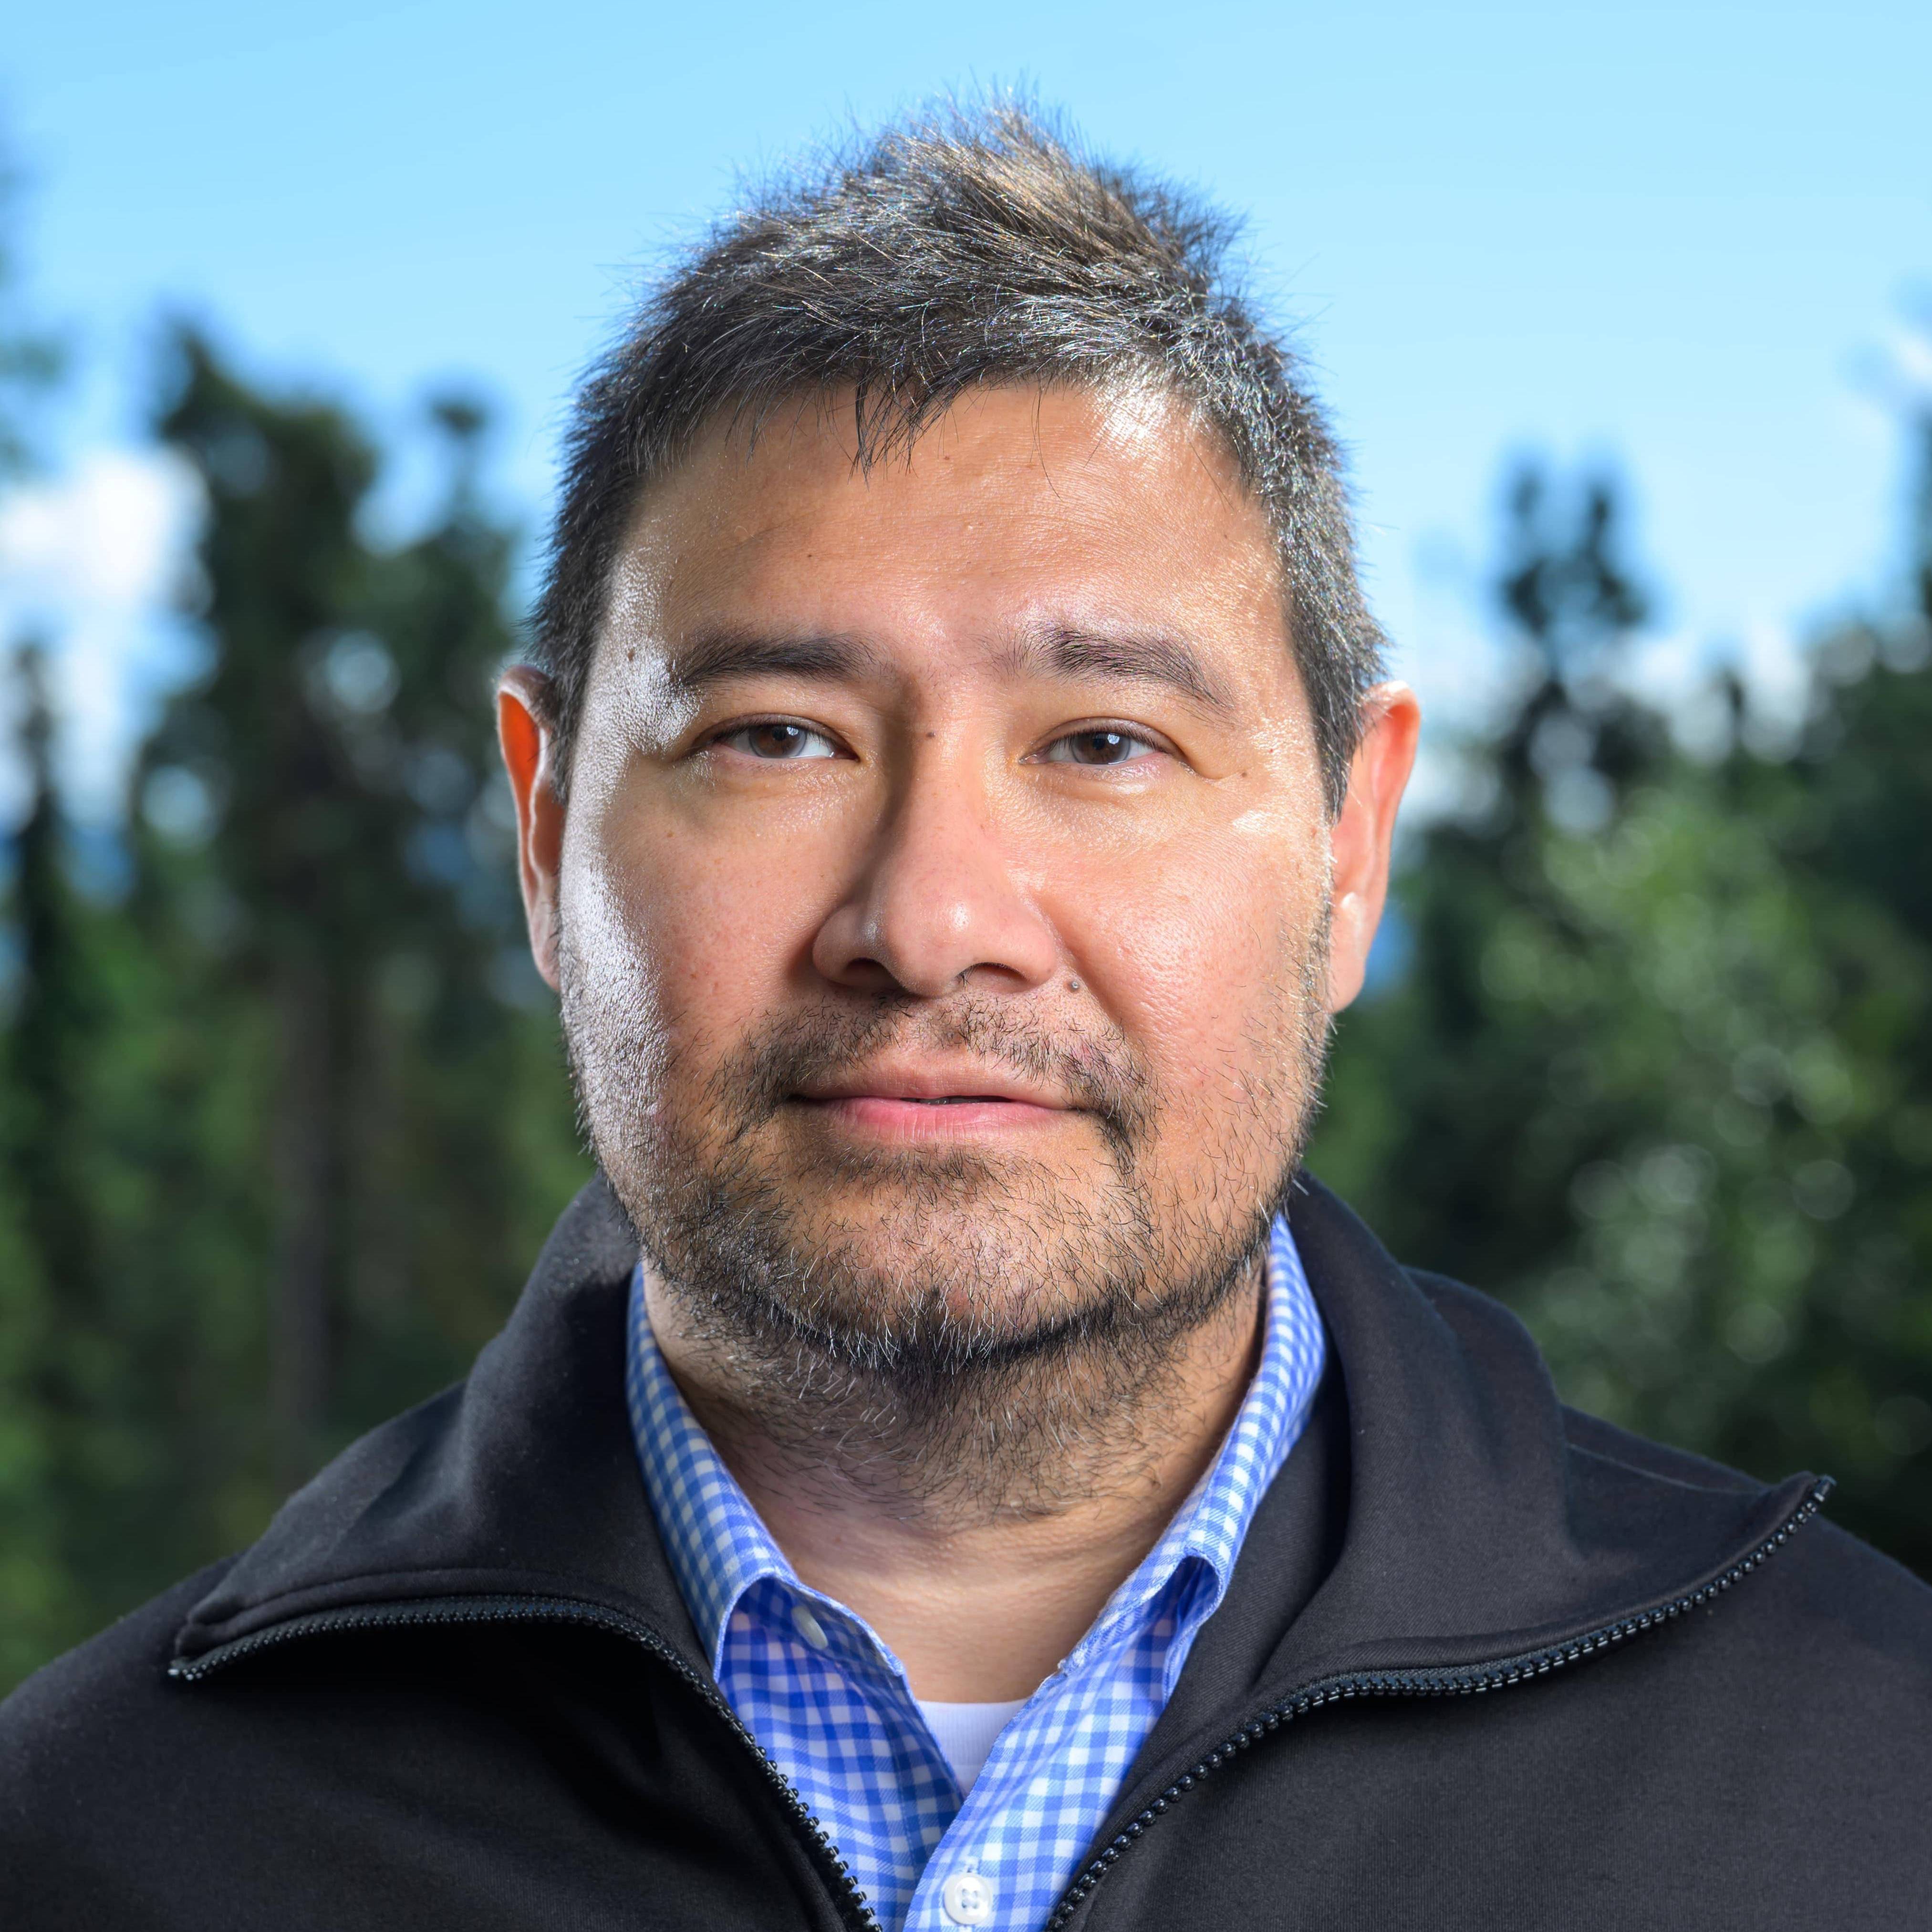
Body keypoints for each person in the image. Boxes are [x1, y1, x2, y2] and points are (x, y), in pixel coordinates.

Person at [3, 105, 1927, 1932]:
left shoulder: (1871, 1772)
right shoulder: (88, 1843)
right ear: (544, 830)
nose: (927, 927)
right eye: (777, 737)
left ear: (1350, 849)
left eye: (1102, 742)